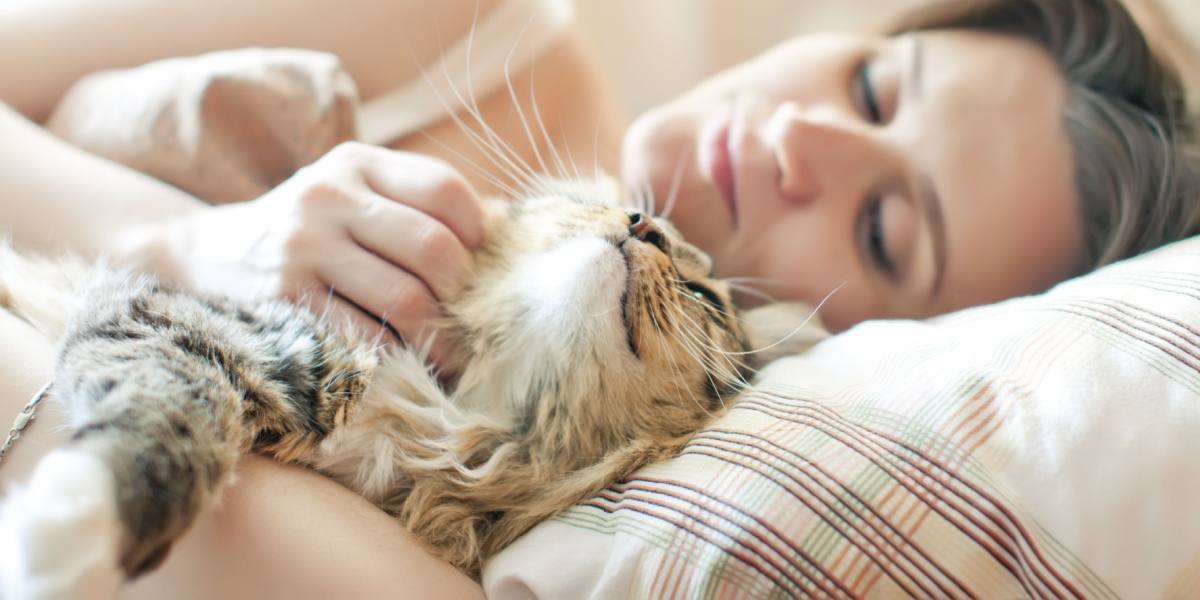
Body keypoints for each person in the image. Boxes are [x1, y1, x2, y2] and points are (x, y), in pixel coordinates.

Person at [0, 0, 1195, 597]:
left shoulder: (631, 517)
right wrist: (188, 242)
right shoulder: (472, 31)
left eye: (882, 226)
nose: (801, 139)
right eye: (876, 86)